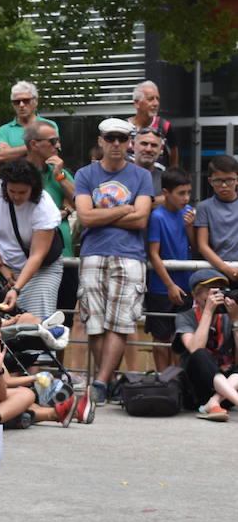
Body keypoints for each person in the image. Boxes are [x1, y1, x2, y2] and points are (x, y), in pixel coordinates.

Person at [75, 117, 154, 405]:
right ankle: (105, 382)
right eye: (111, 138)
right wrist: (125, 209)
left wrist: (102, 214)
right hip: (92, 252)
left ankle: (101, 382)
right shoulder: (85, 174)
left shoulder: (141, 175)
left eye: (122, 138)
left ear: (129, 142)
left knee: (119, 323)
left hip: (130, 255)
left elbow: (142, 219)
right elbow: (84, 216)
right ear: (101, 141)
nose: (116, 144)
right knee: (95, 322)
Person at [0, 158, 64, 322]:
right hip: (3, 265)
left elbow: (37, 255)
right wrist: (1, 267)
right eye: (12, 191)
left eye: (22, 192)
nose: (16, 196)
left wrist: (16, 289)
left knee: (37, 323)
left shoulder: (44, 206)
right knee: (5, 323)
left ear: (33, 189)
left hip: (40, 270)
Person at [144, 168, 196, 371]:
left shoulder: (188, 212)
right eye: (181, 193)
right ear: (166, 192)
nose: (186, 198)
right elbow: (153, 254)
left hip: (186, 283)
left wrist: (190, 227)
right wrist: (169, 285)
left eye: (188, 193)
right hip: (161, 287)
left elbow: (196, 247)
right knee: (161, 337)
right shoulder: (157, 217)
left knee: (182, 337)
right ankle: (162, 381)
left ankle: (178, 383)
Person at [176, 270, 238, 420]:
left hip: (225, 395)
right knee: (200, 354)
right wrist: (208, 312)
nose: (216, 296)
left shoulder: (229, 315)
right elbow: (195, 349)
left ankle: (214, 402)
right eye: (211, 291)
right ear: (196, 295)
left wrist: (235, 321)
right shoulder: (185, 317)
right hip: (196, 391)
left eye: (220, 290)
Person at [196, 154, 238, 282]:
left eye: (229, 180)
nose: (224, 185)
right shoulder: (204, 207)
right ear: (210, 181)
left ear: (237, 179)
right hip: (216, 272)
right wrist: (227, 270)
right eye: (218, 181)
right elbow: (202, 245)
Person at [0, 81, 58, 162]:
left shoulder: (49, 125)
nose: (21, 105)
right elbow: (1, 156)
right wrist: (39, 145)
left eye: (26, 101)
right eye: (16, 102)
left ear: (35, 102)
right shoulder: (4, 130)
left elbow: (51, 155)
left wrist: (12, 151)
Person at [127, 79, 180, 168]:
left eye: (157, 99)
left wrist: (172, 173)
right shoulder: (125, 128)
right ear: (137, 103)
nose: (156, 103)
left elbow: (174, 151)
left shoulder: (164, 126)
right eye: (150, 99)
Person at [131, 126, 167, 197]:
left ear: (161, 149)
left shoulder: (167, 180)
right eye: (144, 144)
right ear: (133, 145)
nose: (148, 149)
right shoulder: (120, 175)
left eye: (154, 145)